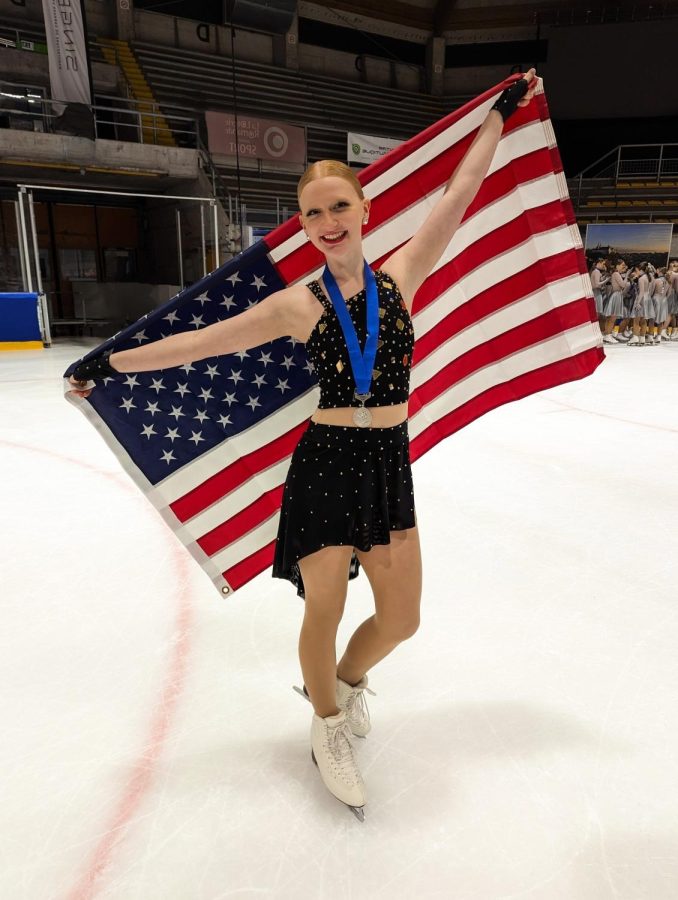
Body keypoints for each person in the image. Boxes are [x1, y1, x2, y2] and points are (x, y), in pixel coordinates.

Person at [68, 70, 538, 821]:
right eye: (312, 212)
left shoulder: (401, 278)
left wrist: (498, 118)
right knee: (323, 606)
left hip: (387, 463)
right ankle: (326, 729)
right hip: (324, 462)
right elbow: (199, 344)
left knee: (403, 617)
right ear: (303, 222)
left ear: (364, 208)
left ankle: (343, 687)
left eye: (339, 206)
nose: (327, 220)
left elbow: (459, 193)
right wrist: (108, 363)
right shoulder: (296, 304)